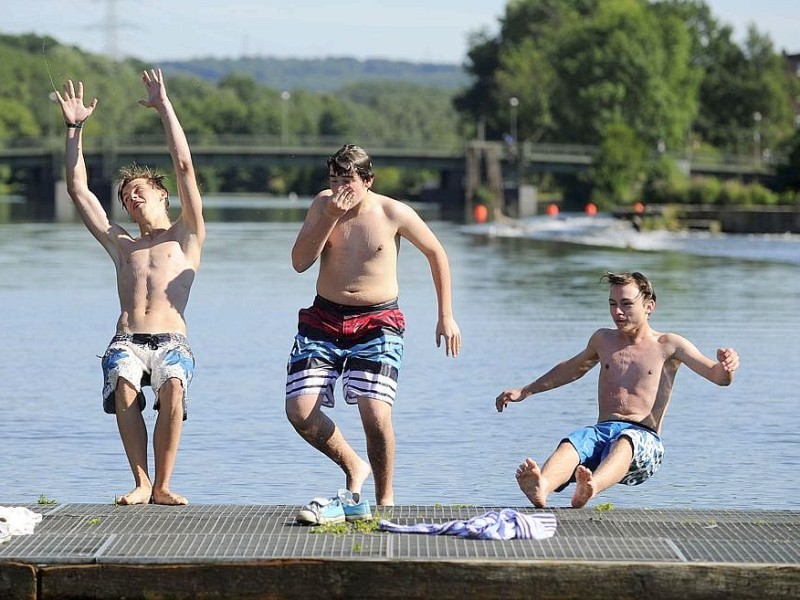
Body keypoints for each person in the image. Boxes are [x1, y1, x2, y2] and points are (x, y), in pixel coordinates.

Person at [286, 144, 461, 522]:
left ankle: (385, 499)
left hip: (377, 320)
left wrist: (445, 315)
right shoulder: (322, 205)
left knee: (374, 412)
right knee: (299, 412)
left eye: (347, 181)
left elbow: (436, 253)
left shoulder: (392, 212)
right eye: (334, 181)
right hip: (324, 318)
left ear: (368, 181)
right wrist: (330, 215)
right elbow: (300, 262)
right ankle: (354, 466)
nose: (340, 189)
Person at [55, 69, 205, 505]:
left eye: (139, 191)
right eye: (126, 197)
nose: (132, 199)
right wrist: (74, 129)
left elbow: (185, 166)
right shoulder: (121, 244)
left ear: (163, 196)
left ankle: (162, 484)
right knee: (125, 385)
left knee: (173, 387)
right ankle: (141, 482)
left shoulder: (186, 235)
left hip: (172, 339)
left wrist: (164, 107)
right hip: (126, 338)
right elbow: (78, 189)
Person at [495, 271, 739, 509]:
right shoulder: (603, 340)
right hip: (602, 432)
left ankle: (591, 487)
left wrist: (727, 367)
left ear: (649, 306)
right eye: (612, 304)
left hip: (644, 440)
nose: (617, 312)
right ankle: (542, 487)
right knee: (573, 442)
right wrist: (525, 391)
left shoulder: (669, 345)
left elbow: (717, 376)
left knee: (626, 440)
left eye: (626, 304)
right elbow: (571, 369)